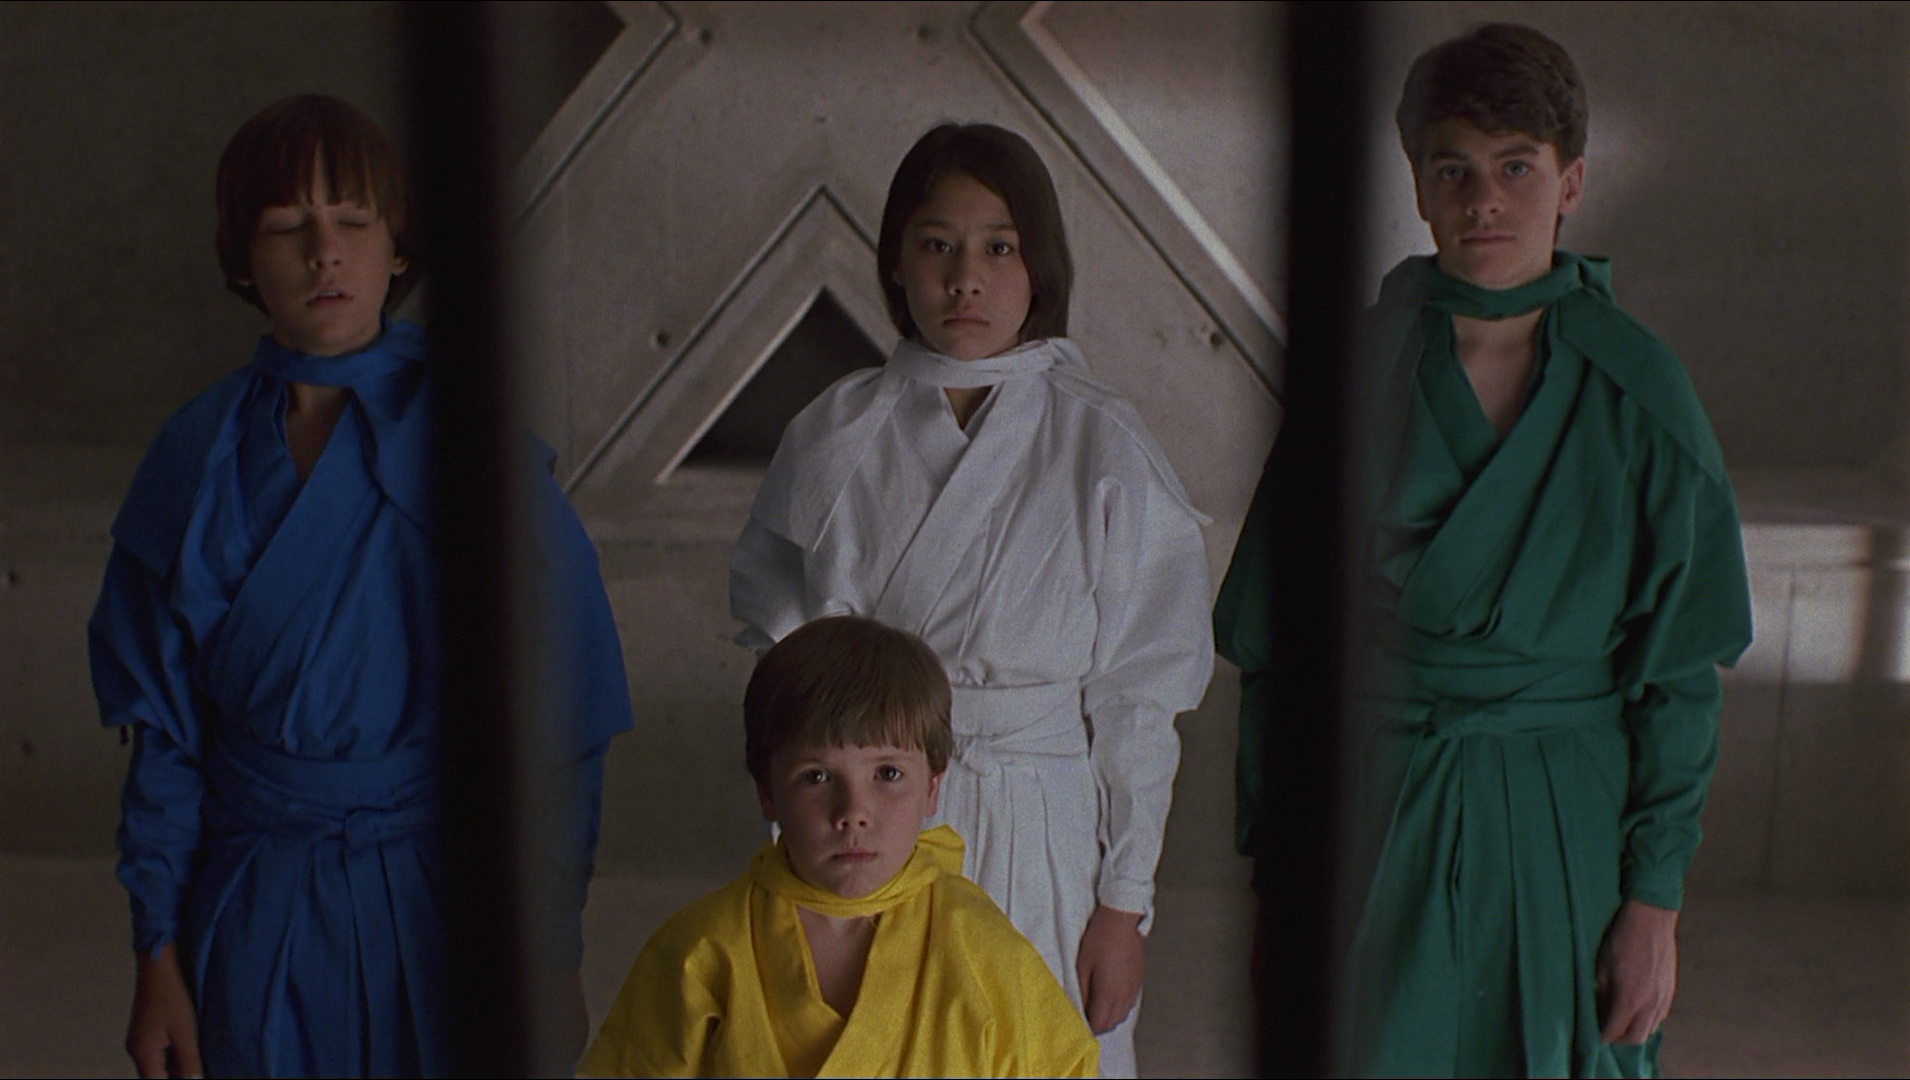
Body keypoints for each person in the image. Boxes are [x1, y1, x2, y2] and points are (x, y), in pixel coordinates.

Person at [1219, 22, 1755, 1077]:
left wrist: (1653, 902)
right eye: (1451, 169)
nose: (1482, 201)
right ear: (1417, 187)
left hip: (1565, 811)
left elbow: (1679, 677)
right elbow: (1280, 654)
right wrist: (1277, 880)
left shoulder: (1638, 390)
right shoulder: (1354, 374)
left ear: (1570, 181)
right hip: (1375, 802)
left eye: (1515, 167)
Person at [88, 94, 633, 1077]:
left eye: (352, 220)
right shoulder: (194, 459)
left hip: (443, 899)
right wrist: (155, 951)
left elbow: (560, 723)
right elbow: (164, 739)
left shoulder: (476, 451)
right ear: (240, 259)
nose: (323, 254)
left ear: (398, 244)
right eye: (285, 227)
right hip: (254, 901)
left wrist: (551, 948)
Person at [728, 123, 1213, 1075]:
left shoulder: (1103, 442)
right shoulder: (833, 435)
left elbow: (1139, 697)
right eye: (937, 245)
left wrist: (1124, 904)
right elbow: (782, 673)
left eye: (999, 247)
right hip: (876, 823)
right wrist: (796, 855)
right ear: (895, 262)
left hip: (1046, 829)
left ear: (1041, 268)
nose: (965, 280)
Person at [580, 616, 1098, 1077]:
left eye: (887, 773)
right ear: (768, 792)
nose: (853, 811)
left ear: (933, 788)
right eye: (817, 776)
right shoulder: (704, 949)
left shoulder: (982, 949)